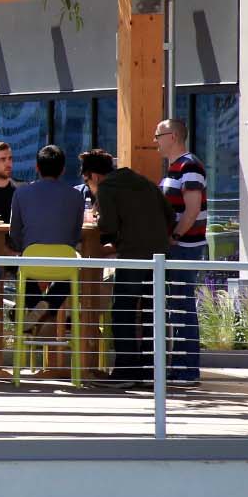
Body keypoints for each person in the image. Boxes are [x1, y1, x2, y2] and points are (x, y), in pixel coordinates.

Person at [79, 149, 174, 388]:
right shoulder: (143, 182)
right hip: (160, 254)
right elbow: (170, 216)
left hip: (133, 254)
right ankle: (152, 372)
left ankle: (126, 372)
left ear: (93, 176)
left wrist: (99, 220)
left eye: (87, 181)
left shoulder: (108, 188)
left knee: (122, 311)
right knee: (154, 312)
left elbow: (108, 225)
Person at [8, 145, 86, 338]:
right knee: (78, 268)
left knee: (16, 267)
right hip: (64, 262)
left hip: (31, 261)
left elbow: (14, 233)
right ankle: (49, 306)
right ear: (62, 170)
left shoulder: (21, 193)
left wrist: (21, 248)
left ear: (37, 167)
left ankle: (37, 306)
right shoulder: (76, 195)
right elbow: (76, 235)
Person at [155, 118, 206, 384]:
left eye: (158, 135)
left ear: (172, 136)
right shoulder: (175, 168)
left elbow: (192, 208)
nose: (155, 141)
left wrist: (174, 236)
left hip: (184, 246)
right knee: (176, 305)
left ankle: (187, 369)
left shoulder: (189, 165)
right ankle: (180, 367)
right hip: (177, 245)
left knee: (182, 305)